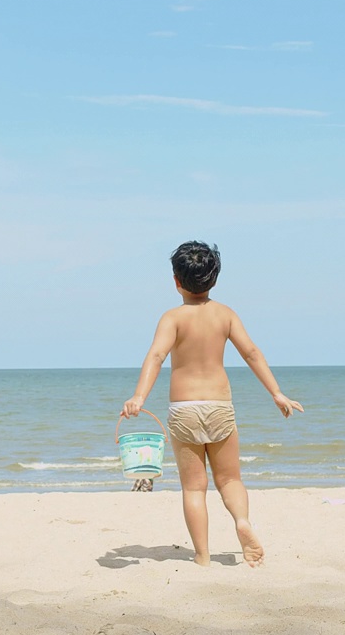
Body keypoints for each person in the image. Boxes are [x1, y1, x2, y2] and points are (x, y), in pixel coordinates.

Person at [122, 241, 302, 567]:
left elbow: (157, 356)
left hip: (184, 408)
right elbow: (251, 353)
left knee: (194, 488)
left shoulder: (172, 318)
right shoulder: (225, 314)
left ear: (176, 280)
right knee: (230, 479)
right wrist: (276, 393)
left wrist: (138, 397)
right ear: (214, 280)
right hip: (219, 405)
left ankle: (202, 557)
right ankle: (242, 522)